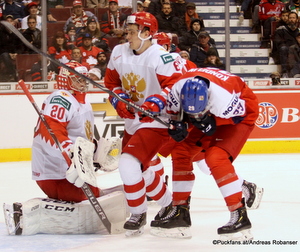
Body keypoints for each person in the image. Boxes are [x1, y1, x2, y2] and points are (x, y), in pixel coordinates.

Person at [4, 61, 128, 236]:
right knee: (83, 201)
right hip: (54, 171)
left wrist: (94, 151)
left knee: (98, 195)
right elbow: (50, 130)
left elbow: (81, 136)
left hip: (71, 169)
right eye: (77, 79)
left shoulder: (83, 103)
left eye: (84, 78)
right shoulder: (61, 98)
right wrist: (72, 154)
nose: (83, 82)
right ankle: (26, 211)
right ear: (65, 80)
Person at [156, 67, 260, 240]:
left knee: (215, 157)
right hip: (211, 110)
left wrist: (213, 121)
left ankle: (239, 216)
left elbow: (240, 115)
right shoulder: (177, 89)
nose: (195, 115)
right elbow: (175, 114)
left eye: (199, 111)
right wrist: (178, 124)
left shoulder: (223, 98)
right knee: (180, 149)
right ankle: (180, 212)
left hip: (239, 115)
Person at [104, 12, 183, 237]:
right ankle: (170, 204)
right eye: (127, 29)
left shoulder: (161, 56)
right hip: (133, 120)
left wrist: (157, 101)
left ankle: (138, 213)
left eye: (131, 30)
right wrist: (119, 99)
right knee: (142, 169)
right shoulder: (119, 52)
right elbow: (111, 82)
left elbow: (175, 86)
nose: (126, 34)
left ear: (147, 32)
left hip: (157, 120)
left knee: (128, 164)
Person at [273, 11, 299, 77]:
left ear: (297, 19)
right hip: (286, 47)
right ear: (288, 19)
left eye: (293, 18)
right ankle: (284, 71)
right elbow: (278, 41)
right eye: (290, 18)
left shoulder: (299, 30)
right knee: (283, 48)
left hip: (297, 48)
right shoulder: (281, 29)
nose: (292, 20)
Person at [0, 14, 23, 82]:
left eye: (11, 21)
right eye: (7, 21)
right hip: (3, 55)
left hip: (15, 54)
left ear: (13, 23)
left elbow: (21, 46)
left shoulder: (17, 34)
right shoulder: (1, 33)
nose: (9, 23)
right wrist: (9, 54)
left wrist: (16, 53)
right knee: (5, 55)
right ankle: (13, 73)